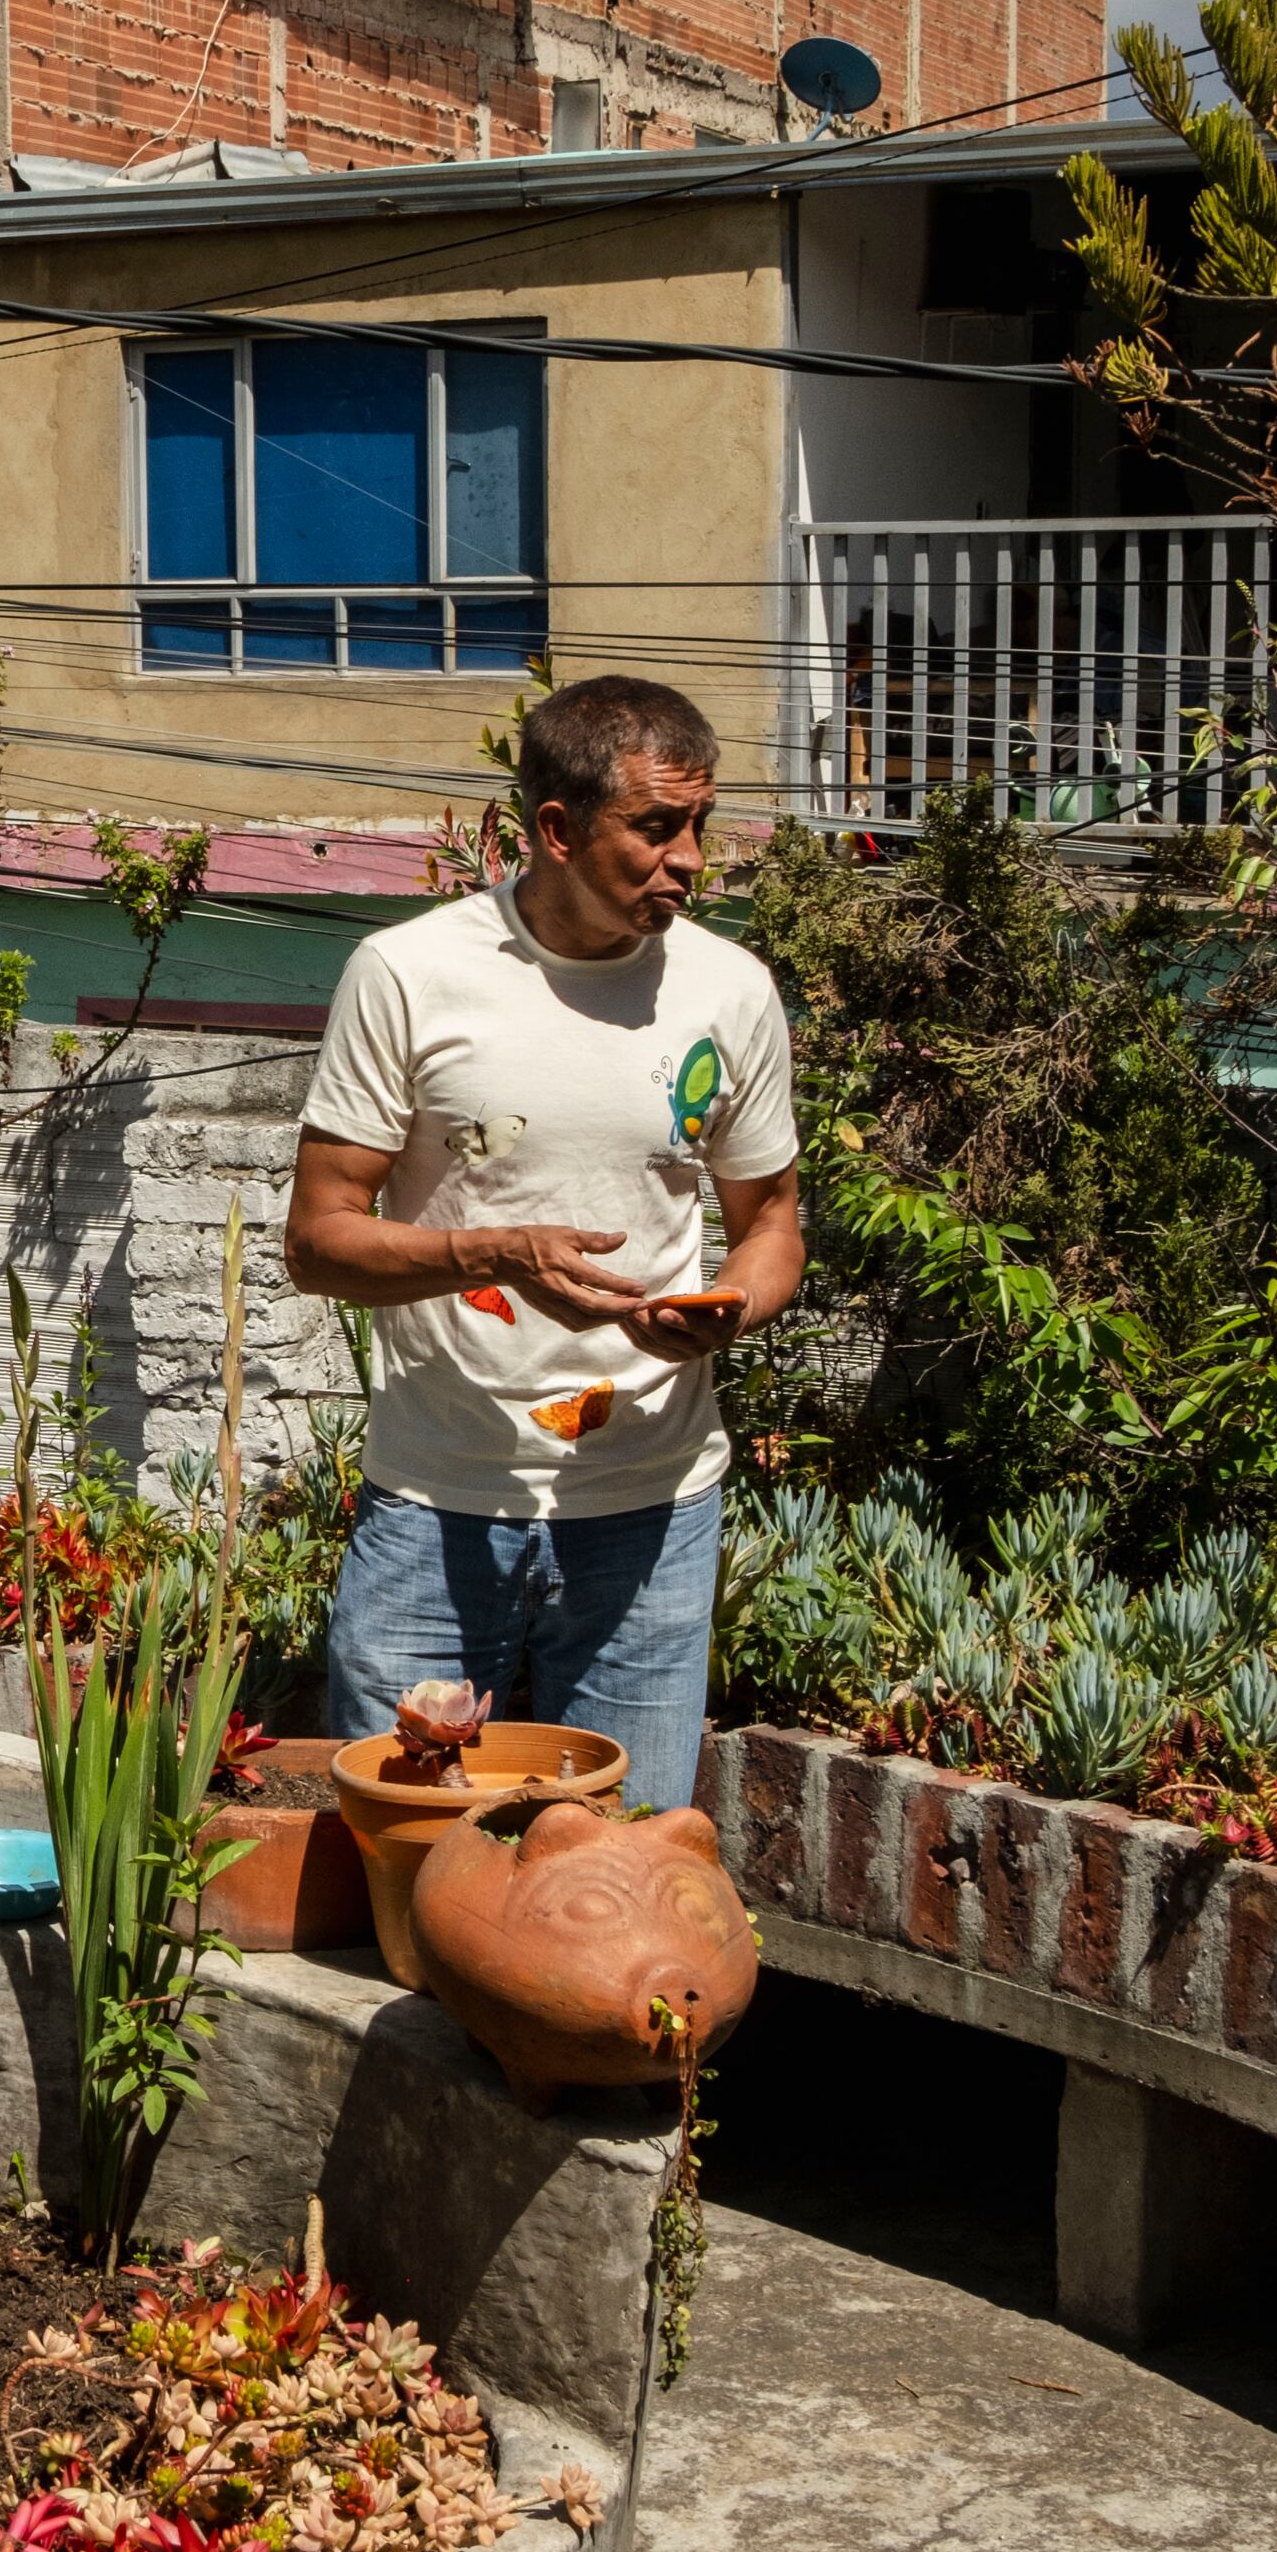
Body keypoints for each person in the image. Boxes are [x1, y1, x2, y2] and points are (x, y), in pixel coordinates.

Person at [281, 675, 805, 1812]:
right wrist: (496, 1253)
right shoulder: (411, 974)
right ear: (557, 831)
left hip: (653, 1513)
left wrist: (720, 1311)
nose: (690, 860)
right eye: (656, 828)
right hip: (435, 1503)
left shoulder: (729, 990)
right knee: (407, 1866)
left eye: (698, 827)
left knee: (608, 1880)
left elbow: (768, 1227)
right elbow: (318, 1244)